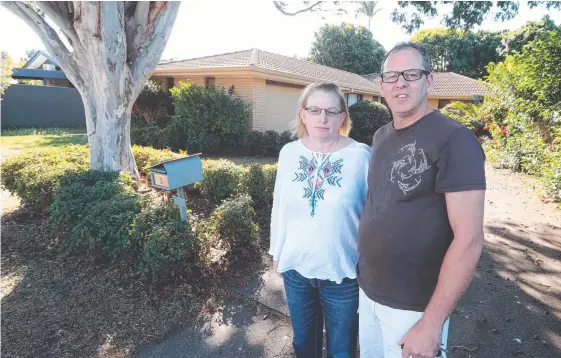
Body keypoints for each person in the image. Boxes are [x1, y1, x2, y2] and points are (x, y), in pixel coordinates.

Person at [357, 42, 486, 358]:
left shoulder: (455, 139)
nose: (400, 82)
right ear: (382, 85)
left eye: (411, 74)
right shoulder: (381, 136)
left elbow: (469, 239)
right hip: (370, 293)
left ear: (429, 81)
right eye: (391, 75)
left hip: (414, 308)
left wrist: (431, 323)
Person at [269, 82, 372, 358]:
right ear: (303, 114)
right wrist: (276, 252)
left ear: (342, 117)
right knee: (304, 345)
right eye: (314, 110)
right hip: (297, 271)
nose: (322, 118)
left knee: (342, 350)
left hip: (343, 272)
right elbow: (279, 205)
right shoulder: (289, 153)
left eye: (331, 111)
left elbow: (373, 215)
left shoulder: (361, 156)